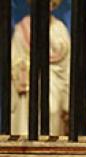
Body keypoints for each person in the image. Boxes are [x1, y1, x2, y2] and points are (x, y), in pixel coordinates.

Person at [11, 0, 69, 136]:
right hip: (28, 89)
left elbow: (67, 68)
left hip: (55, 87)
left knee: (52, 114)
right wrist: (24, 69)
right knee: (26, 124)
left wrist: (68, 102)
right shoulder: (23, 28)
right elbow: (14, 60)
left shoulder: (60, 29)